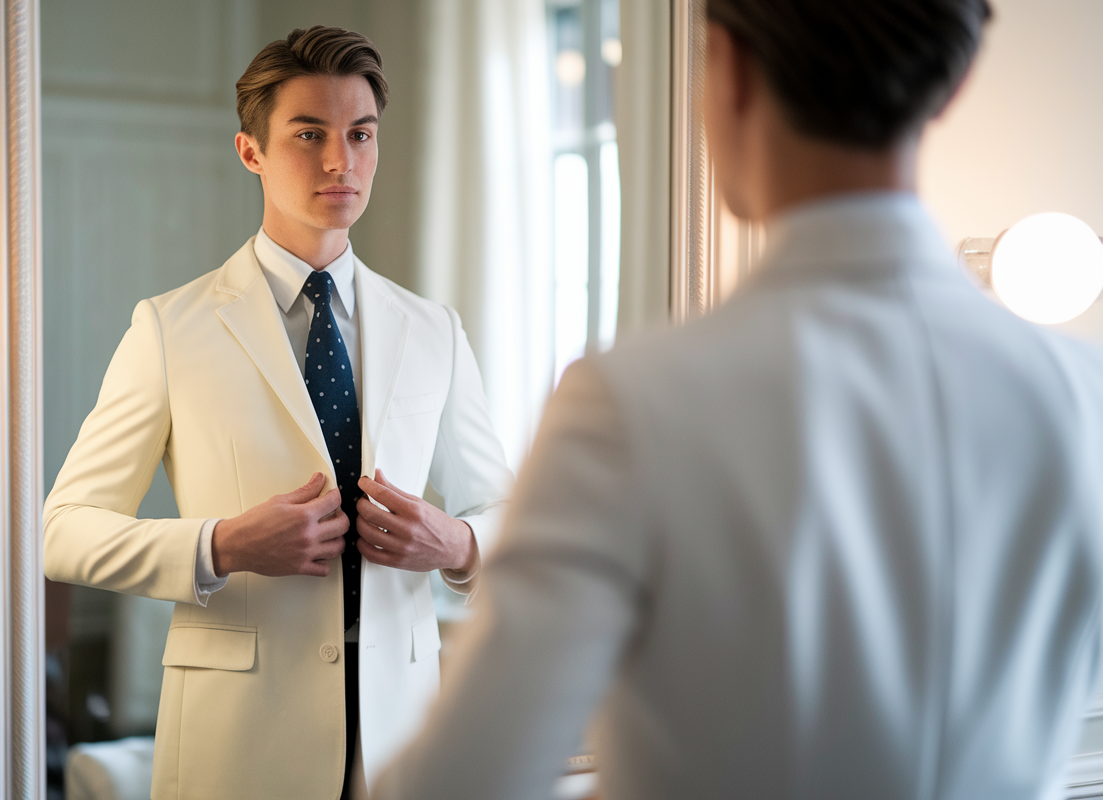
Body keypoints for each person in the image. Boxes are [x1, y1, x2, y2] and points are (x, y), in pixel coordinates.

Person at [374, 1, 1103, 798]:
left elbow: (466, 778)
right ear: (952, 88)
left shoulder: (629, 405)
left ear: (725, 66)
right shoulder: (1083, 394)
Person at [43, 26, 512, 799]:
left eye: (361, 134)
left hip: (403, 737)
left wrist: (457, 542)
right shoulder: (169, 328)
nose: (341, 161)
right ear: (249, 152)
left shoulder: (437, 331)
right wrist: (220, 545)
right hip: (238, 742)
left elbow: (503, 515)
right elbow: (63, 531)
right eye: (309, 134)